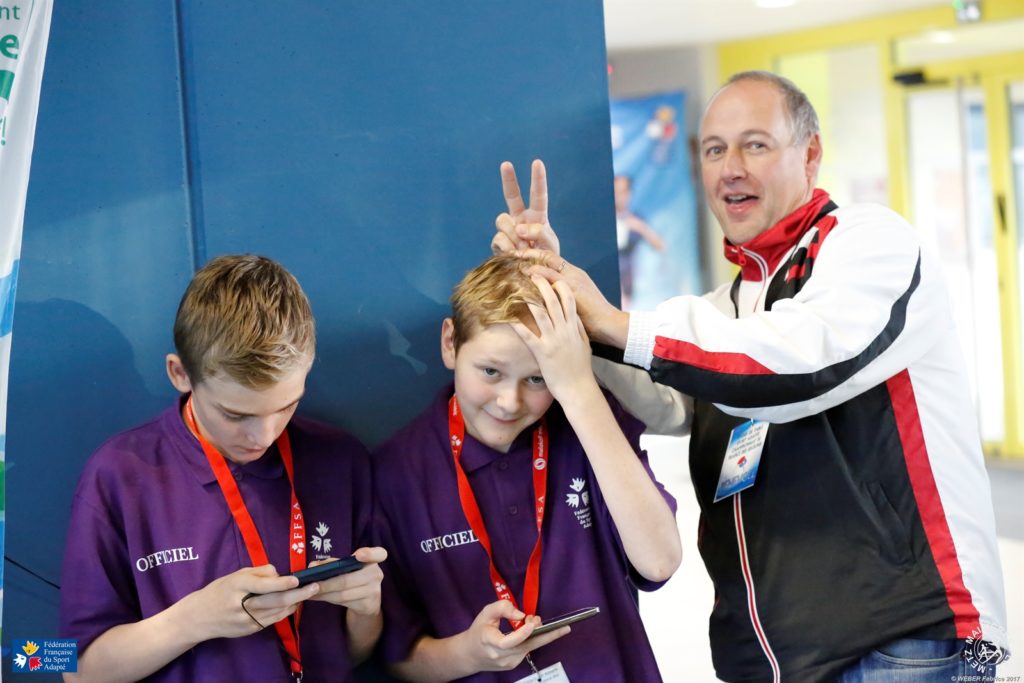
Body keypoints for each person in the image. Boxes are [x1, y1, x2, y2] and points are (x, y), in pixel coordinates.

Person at [493, 71, 1009, 682]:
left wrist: (614, 321)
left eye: (755, 145)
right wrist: (557, 299)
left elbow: (798, 363)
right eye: (715, 150)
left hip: (903, 640)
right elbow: (664, 398)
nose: (730, 168)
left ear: (810, 154)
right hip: (774, 658)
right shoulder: (729, 308)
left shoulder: (871, 244)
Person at [60, 255, 387, 683]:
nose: (263, 435)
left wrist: (366, 610)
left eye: (286, 406)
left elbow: (357, 655)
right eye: (235, 414)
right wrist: (191, 621)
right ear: (180, 374)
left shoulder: (340, 460)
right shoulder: (118, 475)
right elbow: (69, 667)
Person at [371, 252, 681, 682]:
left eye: (537, 379)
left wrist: (579, 389)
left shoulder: (590, 426)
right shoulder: (396, 473)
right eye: (490, 371)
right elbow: (399, 658)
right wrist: (471, 654)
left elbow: (659, 561)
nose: (509, 402)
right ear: (450, 343)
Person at [614, 174, 664, 309]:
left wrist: (641, 228)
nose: (620, 196)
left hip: (630, 283)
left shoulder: (635, 219)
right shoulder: (605, 220)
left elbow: (660, 245)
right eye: (616, 192)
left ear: (629, 193)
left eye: (623, 191)